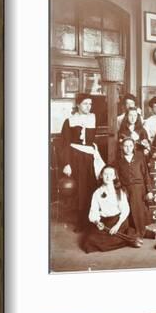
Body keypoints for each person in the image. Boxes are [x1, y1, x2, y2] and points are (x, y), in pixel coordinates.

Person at [60, 93, 101, 232]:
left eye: (90, 104)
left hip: (89, 157)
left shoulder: (94, 118)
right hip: (75, 157)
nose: (88, 106)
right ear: (78, 104)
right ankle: (81, 222)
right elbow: (64, 143)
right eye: (85, 103)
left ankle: (92, 219)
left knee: (91, 187)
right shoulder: (69, 120)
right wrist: (67, 163)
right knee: (80, 190)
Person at [82, 165, 141, 253]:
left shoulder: (120, 191)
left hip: (119, 220)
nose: (108, 177)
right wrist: (97, 222)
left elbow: (125, 210)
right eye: (105, 174)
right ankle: (126, 238)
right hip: (105, 222)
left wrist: (117, 225)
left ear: (114, 177)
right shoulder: (97, 193)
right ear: (101, 175)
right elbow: (94, 211)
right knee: (89, 241)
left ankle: (126, 235)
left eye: (110, 174)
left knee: (110, 237)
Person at [116, 138, 154, 237]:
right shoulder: (119, 161)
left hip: (138, 187)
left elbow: (146, 175)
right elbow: (117, 177)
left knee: (137, 204)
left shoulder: (140, 159)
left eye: (130, 146)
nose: (128, 148)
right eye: (125, 146)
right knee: (126, 208)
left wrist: (149, 190)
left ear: (133, 147)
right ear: (122, 147)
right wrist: (120, 188)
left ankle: (139, 232)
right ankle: (132, 230)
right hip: (125, 188)